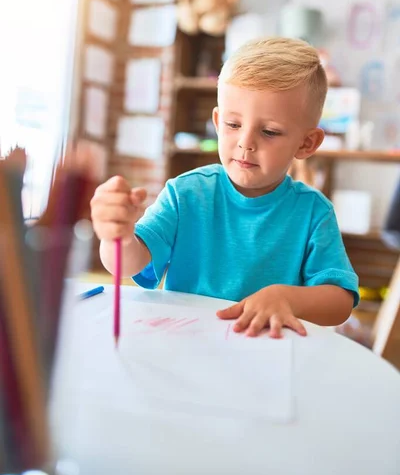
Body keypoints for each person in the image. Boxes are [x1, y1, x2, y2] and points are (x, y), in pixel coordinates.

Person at [90, 37, 359, 338]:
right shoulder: (185, 194)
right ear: (217, 123)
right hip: (187, 346)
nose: (245, 142)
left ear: (306, 143)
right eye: (233, 125)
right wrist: (118, 236)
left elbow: (341, 302)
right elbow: (126, 265)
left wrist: (288, 298)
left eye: (269, 131)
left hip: (267, 357)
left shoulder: (313, 213)